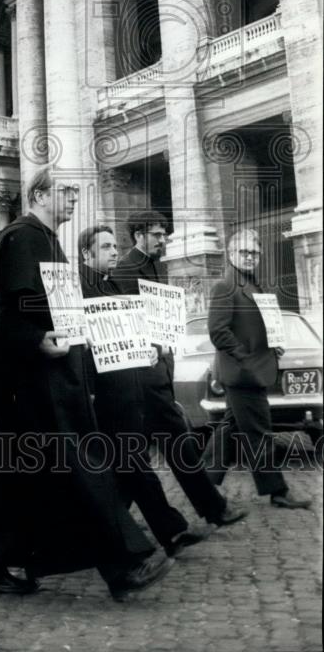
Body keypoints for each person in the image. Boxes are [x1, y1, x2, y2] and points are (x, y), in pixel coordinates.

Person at [0, 166, 174, 602]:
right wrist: (34, 338)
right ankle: (123, 564)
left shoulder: (48, 241)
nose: (75, 198)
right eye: (66, 191)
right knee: (80, 469)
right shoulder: (21, 237)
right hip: (30, 381)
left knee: (18, 475)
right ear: (39, 195)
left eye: (78, 191)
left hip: (50, 379)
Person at [80, 225, 213, 556]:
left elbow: (127, 332)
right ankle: (170, 532)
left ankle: (121, 531)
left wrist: (147, 348)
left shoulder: (110, 284)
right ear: (87, 254)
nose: (114, 251)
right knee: (132, 465)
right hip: (101, 394)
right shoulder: (80, 289)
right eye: (106, 247)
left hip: (124, 390)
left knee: (125, 468)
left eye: (115, 246)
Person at [113, 211, 246, 529]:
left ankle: (110, 523)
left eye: (164, 234)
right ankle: (214, 509)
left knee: (141, 456)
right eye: (158, 235)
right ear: (139, 235)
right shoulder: (125, 271)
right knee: (166, 448)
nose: (163, 240)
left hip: (156, 374)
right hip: (143, 377)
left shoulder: (148, 266)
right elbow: (123, 322)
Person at [203, 229, 311, 509]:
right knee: (260, 433)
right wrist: (246, 358)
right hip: (243, 374)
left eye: (254, 252)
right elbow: (218, 331)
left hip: (250, 370)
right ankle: (278, 491)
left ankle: (203, 484)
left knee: (229, 428)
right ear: (231, 253)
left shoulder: (252, 284)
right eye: (244, 252)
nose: (250, 257)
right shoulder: (225, 285)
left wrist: (272, 344)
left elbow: (253, 327)